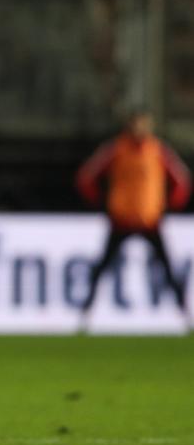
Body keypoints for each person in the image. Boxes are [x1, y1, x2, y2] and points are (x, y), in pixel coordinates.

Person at [76, 111, 192, 327]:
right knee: (102, 268)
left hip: (150, 221)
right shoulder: (116, 150)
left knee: (167, 269)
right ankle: (85, 314)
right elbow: (86, 178)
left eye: (144, 125)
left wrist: (168, 207)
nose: (140, 129)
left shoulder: (157, 151)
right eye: (136, 124)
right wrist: (102, 203)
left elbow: (182, 181)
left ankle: (185, 315)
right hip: (121, 220)